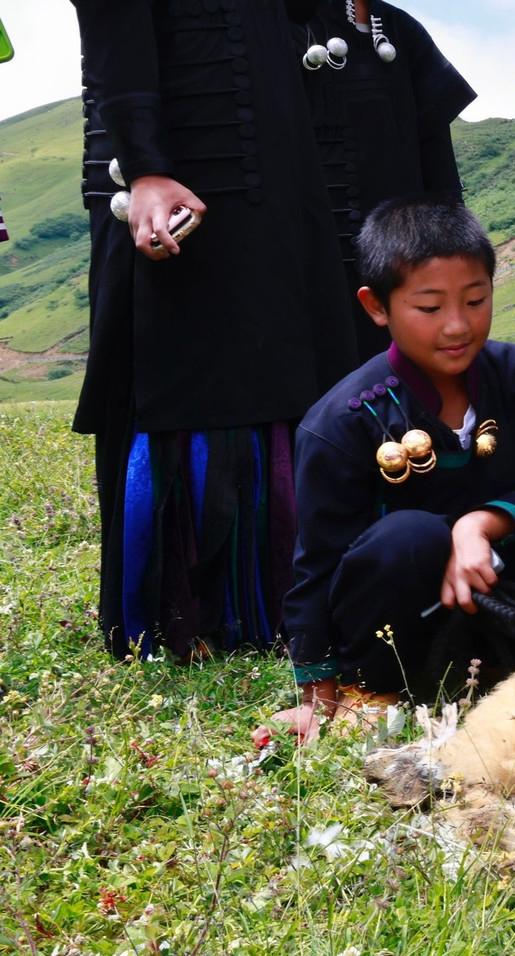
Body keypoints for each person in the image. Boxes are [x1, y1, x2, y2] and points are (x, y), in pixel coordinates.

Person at [73, 0, 359, 661]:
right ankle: (192, 608)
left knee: (287, 354)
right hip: (179, 163)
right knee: (191, 367)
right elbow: (114, 26)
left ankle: (288, 595)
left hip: (277, 152)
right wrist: (144, 167)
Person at [277, 199, 515, 737]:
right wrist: (316, 692)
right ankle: (376, 686)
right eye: (430, 308)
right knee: (409, 537)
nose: (458, 325)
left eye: (476, 300)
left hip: (488, 591)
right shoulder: (341, 421)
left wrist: (478, 524)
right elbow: (316, 565)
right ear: (376, 307)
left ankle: (496, 673)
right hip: (392, 609)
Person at [297, 0, 477, 359]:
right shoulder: (288, 28)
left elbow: (436, 152)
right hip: (314, 249)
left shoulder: (400, 31)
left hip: (404, 251)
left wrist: (452, 242)